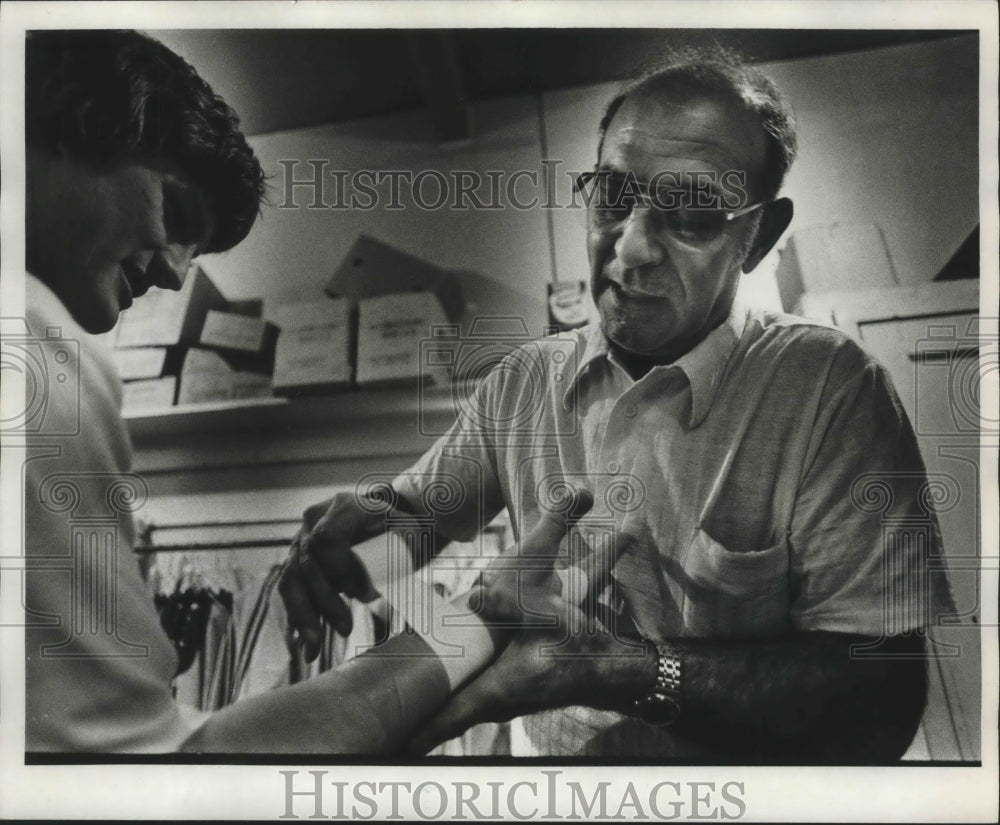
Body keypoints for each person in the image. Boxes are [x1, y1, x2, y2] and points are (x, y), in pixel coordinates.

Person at [280, 46, 955, 762]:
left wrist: (624, 671)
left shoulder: (830, 391)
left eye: (691, 212)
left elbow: (882, 699)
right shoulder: (524, 383)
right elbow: (420, 514)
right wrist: (364, 525)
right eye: (611, 196)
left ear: (758, 235)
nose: (629, 249)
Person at [20, 28, 585, 754]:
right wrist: (485, 618)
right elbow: (162, 769)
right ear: (73, 125)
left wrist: (401, 523)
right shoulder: (38, 360)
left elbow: (405, 515)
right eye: (181, 216)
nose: (172, 274)